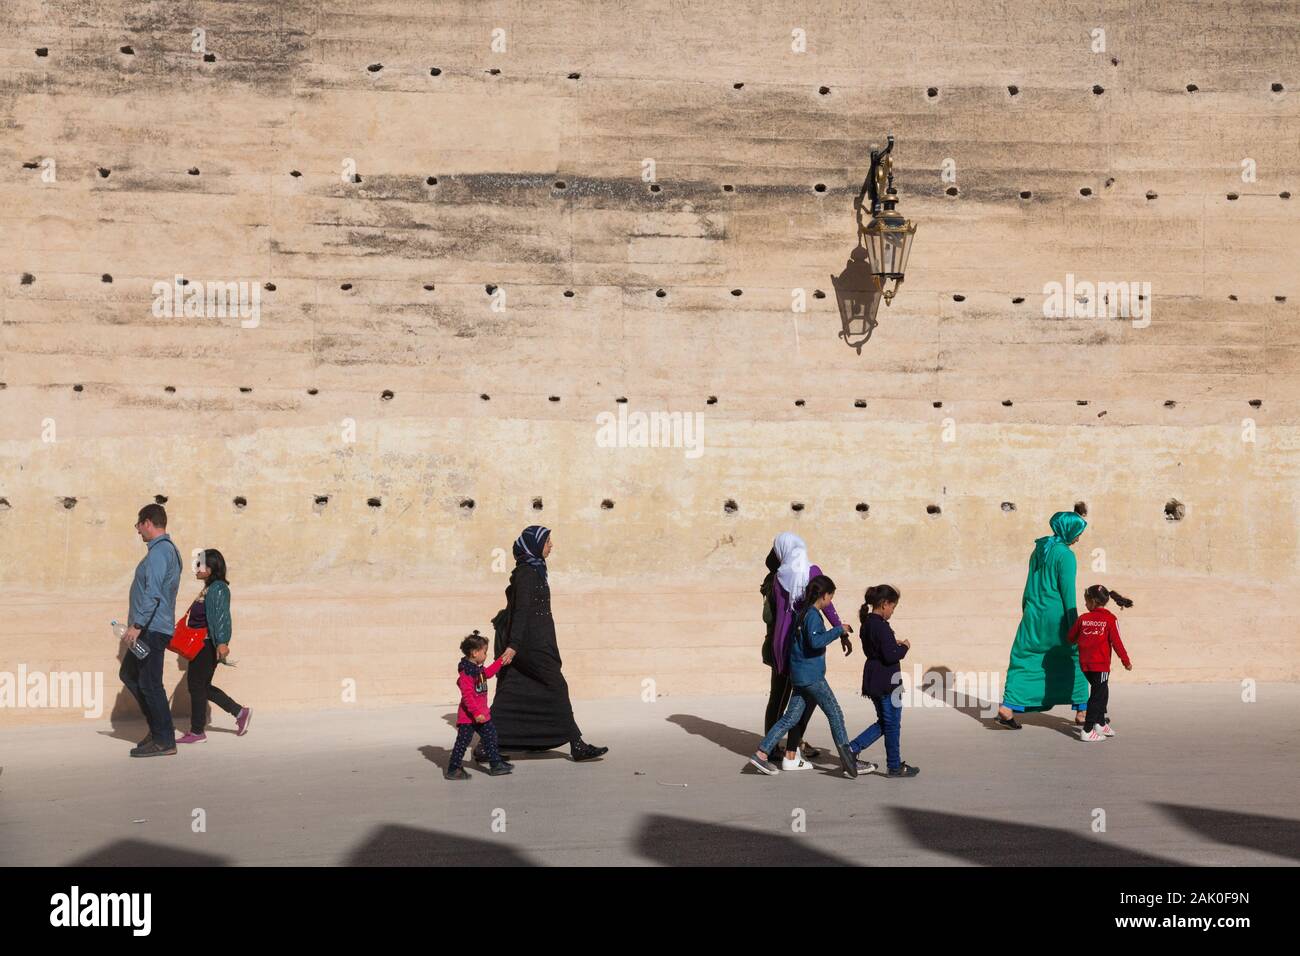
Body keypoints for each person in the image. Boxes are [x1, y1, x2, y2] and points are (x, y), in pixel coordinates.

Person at [487, 526, 608, 762]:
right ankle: (577, 744)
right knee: (557, 687)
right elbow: (522, 611)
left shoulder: (535, 570)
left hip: (536, 642)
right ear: (534, 545)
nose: (551, 545)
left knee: (513, 689)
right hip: (530, 646)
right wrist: (514, 645)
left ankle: (487, 745)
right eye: (547, 541)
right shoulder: (526, 574)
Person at [749, 576, 858, 778]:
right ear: (824, 596)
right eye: (831, 597)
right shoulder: (813, 616)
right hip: (812, 677)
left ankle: (761, 753)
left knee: (790, 718)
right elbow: (816, 642)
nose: (830, 601)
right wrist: (838, 630)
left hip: (799, 675)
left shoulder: (800, 613)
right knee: (835, 713)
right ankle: (848, 760)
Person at [764, 533, 852, 770]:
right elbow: (828, 606)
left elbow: (773, 614)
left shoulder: (777, 577)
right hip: (801, 643)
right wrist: (840, 631)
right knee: (805, 696)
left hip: (779, 641)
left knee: (779, 696)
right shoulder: (812, 571)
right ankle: (790, 750)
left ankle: (773, 749)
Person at [995, 511, 1090, 729]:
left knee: (1024, 657)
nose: (1078, 537)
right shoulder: (1065, 555)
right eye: (1077, 532)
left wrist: (1026, 611)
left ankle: (1007, 707)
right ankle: (1083, 711)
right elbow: (1068, 593)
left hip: (1033, 613)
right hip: (1056, 617)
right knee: (1075, 658)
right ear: (1068, 529)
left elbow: (1029, 584)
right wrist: (1073, 623)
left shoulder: (1039, 550)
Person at [120, 503, 182, 757]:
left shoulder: (160, 552)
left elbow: (153, 594)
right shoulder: (164, 551)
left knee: (150, 684)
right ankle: (158, 731)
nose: (137, 531)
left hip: (151, 629)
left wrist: (137, 625)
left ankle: (165, 739)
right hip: (151, 627)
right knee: (131, 675)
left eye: (138, 525)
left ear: (147, 522)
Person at [176, 549, 251, 744]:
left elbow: (222, 617)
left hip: (207, 644)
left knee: (196, 685)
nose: (196, 568)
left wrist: (223, 642)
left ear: (210, 568)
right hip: (203, 645)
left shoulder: (218, 588)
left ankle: (197, 731)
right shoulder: (209, 588)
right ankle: (240, 712)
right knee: (202, 686)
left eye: (199, 565)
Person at [847, 585, 918, 777]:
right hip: (887, 681)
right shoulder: (882, 626)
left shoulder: (868, 623)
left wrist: (891, 644)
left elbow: (878, 649)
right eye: (893, 607)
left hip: (873, 678)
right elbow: (890, 656)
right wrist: (904, 647)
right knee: (892, 724)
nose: (892, 611)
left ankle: (852, 749)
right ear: (885, 604)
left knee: (885, 723)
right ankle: (894, 766)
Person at [1068, 585, 1134, 742]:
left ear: (1092, 601)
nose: (1085, 605)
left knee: (1102, 691)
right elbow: (1117, 642)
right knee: (1098, 695)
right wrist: (1126, 661)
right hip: (1100, 665)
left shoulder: (1083, 619)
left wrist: (1085, 636)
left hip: (1085, 664)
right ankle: (1088, 729)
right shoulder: (1110, 619)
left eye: (1086, 602)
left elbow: (1070, 638)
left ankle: (1100, 723)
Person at [447, 630, 512, 779]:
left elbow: (488, 673)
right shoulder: (466, 673)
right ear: (475, 653)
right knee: (462, 743)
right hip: (469, 717)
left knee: (491, 737)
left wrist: (500, 661)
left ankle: (496, 764)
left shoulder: (478, 669)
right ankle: (453, 769)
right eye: (485, 652)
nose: (486, 655)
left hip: (482, 714)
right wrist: (476, 713)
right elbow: (467, 697)